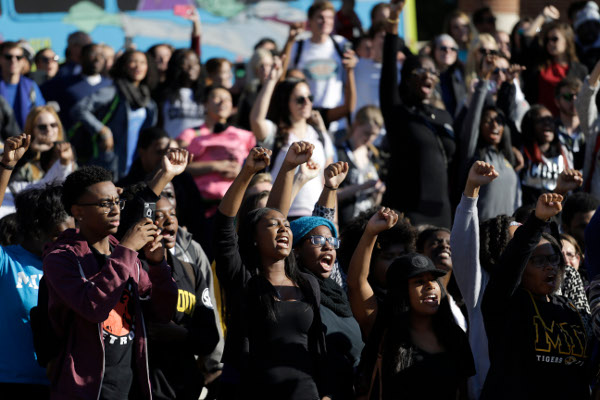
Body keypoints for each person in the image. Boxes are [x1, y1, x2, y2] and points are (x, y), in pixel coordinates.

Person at [43, 165, 178, 399]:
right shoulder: (60, 259)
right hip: (84, 390)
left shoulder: (125, 255)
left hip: (130, 388)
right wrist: (127, 249)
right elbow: (92, 307)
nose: (115, 209)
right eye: (105, 204)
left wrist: (158, 266)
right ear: (78, 211)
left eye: (117, 202)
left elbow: (163, 312)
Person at [213, 143, 330, 399]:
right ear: (254, 238)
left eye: (287, 225)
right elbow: (223, 227)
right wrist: (248, 173)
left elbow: (317, 347)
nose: (283, 229)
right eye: (273, 225)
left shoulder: (307, 283)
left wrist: (326, 393)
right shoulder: (244, 280)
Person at [481, 193, 591, 399]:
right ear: (522, 268)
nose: (549, 266)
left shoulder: (571, 309)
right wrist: (538, 220)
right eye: (538, 261)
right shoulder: (505, 304)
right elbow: (514, 259)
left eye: (552, 259)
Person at [0, 134, 74, 398]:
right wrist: (6, 167)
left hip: (61, 386)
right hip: (10, 383)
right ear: (35, 230)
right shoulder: (6, 262)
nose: (69, 241)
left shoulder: (74, 267)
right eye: (58, 235)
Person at [355, 252, 475, 399]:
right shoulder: (386, 339)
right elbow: (356, 283)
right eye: (419, 281)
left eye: (433, 280)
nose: (430, 286)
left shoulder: (455, 335)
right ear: (402, 292)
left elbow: (464, 391)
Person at [380, 0, 455, 228]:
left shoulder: (444, 117)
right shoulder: (397, 112)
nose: (428, 75)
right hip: (408, 211)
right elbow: (388, 68)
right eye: (420, 70)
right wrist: (394, 20)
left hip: (442, 213)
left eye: (433, 71)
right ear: (407, 78)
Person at [250, 58, 335, 218]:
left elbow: (329, 183)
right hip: (281, 215)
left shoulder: (321, 135)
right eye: (299, 99)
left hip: (315, 218)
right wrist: (271, 81)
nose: (307, 103)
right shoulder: (275, 132)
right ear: (285, 102)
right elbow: (256, 120)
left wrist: (333, 221)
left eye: (310, 98)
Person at [71, 50, 158, 181]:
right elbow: (79, 109)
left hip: (136, 164)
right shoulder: (112, 91)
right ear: (124, 66)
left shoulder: (147, 99)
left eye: (142, 62)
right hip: (109, 162)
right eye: (133, 61)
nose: (138, 66)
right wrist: (102, 130)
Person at [458, 59, 520, 220]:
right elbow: (472, 119)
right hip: (479, 235)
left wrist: (509, 84)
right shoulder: (474, 155)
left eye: (499, 122)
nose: (495, 125)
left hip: (507, 234)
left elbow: (506, 113)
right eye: (487, 121)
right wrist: (484, 80)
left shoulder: (507, 156)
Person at [289, 1, 350, 112]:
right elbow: (286, 75)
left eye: (330, 18)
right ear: (310, 20)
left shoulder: (341, 44)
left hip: (336, 117)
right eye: (320, 17)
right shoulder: (298, 46)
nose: (325, 21)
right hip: (307, 113)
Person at [42, 43, 112, 131]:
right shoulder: (64, 84)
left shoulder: (111, 86)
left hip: (104, 142)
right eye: (92, 54)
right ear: (81, 58)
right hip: (72, 141)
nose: (97, 59)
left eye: (101, 56)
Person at [336, 105, 385, 227]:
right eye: (366, 133)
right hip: (345, 224)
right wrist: (362, 186)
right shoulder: (340, 153)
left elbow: (375, 202)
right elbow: (331, 194)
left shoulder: (374, 155)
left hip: (367, 224)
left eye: (374, 135)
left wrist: (378, 192)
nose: (370, 138)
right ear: (356, 124)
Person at [524, 22, 588, 115]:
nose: (550, 43)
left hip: (570, 120)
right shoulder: (540, 65)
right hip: (543, 121)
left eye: (555, 39)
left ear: (566, 41)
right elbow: (527, 37)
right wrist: (543, 15)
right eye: (547, 40)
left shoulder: (580, 70)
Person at [9, 106, 75, 190]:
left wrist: (65, 161)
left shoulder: (67, 152)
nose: (49, 130)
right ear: (31, 130)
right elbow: (9, 182)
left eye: (53, 125)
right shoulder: (20, 155)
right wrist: (30, 152)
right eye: (42, 127)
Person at [519, 105, 572, 205]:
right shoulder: (523, 151)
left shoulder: (563, 152)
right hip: (527, 211)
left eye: (550, 120)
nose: (547, 123)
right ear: (531, 125)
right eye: (540, 120)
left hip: (555, 211)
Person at [159, 49, 205, 139]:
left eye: (195, 63)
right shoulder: (162, 93)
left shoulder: (206, 94)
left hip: (200, 150)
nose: (192, 67)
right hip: (172, 149)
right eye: (186, 63)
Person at [0, 41, 45, 130]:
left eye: (18, 57)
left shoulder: (31, 86)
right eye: (8, 57)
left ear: (23, 61)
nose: (13, 61)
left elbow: (41, 114)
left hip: (26, 139)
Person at [555, 77, 584, 169]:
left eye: (578, 95)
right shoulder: (550, 130)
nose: (574, 100)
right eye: (568, 96)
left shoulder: (592, 130)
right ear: (557, 102)